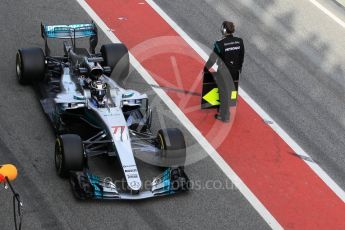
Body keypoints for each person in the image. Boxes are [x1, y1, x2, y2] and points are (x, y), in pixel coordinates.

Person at [204, 21, 245, 122]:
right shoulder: (239, 41)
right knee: (232, 90)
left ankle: (224, 115)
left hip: (223, 72)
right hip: (235, 71)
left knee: (223, 92)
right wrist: (239, 69)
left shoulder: (219, 44)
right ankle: (226, 107)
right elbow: (241, 57)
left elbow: (213, 58)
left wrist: (206, 69)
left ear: (224, 30)